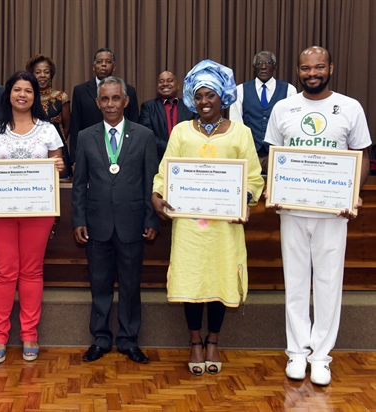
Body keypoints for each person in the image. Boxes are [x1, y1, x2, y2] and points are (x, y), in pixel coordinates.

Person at [264, 46, 371, 386]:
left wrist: (352, 193)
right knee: (295, 283)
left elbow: (362, 157)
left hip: (332, 211)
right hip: (292, 210)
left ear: (331, 68)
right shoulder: (284, 107)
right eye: (306, 68)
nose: (313, 73)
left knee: (328, 284)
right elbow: (273, 156)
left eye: (319, 67)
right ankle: (296, 353)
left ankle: (321, 357)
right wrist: (274, 189)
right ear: (298, 70)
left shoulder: (350, 107)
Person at [151, 60, 264, 376]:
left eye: (210, 95)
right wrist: (157, 195)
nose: (204, 102)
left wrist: (242, 201)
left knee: (218, 279)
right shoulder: (181, 131)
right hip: (189, 227)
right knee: (192, 280)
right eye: (198, 96)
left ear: (223, 97)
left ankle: (213, 340)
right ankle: (194, 341)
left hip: (224, 227)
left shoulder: (240, 133)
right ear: (191, 98)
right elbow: (165, 170)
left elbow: (253, 178)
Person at [0, 71, 65, 364]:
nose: (23, 95)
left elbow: (58, 168)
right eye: (17, 90)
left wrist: (59, 167)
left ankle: (30, 334)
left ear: (35, 96)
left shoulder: (49, 131)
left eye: (28, 90)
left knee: (31, 271)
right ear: (9, 95)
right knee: (3, 271)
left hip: (38, 212)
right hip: (0, 213)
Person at [72, 76, 159, 364]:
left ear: (126, 100)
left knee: (131, 285)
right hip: (96, 224)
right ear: (97, 103)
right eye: (105, 99)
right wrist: (78, 219)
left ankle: (129, 340)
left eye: (115, 98)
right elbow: (79, 182)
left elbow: (151, 182)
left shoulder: (144, 135)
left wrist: (151, 219)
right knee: (99, 284)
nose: (110, 104)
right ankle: (100, 338)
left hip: (132, 223)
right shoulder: (85, 136)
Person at [70, 48, 139, 169]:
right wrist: (75, 159)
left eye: (108, 61)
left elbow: (134, 122)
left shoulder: (129, 90)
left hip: (122, 150)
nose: (103, 64)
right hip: (89, 150)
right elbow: (75, 125)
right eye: (99, 61)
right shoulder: (80, 91)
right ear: (93, 66)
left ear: (114, 66)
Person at [229, 50, 297, 171]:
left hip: (279, 157)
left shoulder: (289, 90)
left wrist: (277, 153)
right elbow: (236, 126)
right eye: (259, 63)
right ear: (254, 67)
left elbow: (291, 127)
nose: (264, 67)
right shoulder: (240, 90)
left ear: (275, 66)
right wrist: (250, 153)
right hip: (249, 154)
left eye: (268, 63)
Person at [26, 54, 72, 177]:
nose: (42, 76)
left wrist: (57, 143)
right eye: (38, 72)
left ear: (51, 74)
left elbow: (67, 126)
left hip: (57, 149)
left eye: (46, 72)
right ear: (32, 75)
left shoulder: (61, 97)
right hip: (33, 149)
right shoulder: (27, 97)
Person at [139, 70, 197, 161]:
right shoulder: (148, 107)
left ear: (177, 85)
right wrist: (171, 149)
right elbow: (147, 134)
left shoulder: (190, 107)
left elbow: (197, 132)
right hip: (157, 159)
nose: (165, 84)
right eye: (161, 82)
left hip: (186, 159)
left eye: (169, 80)